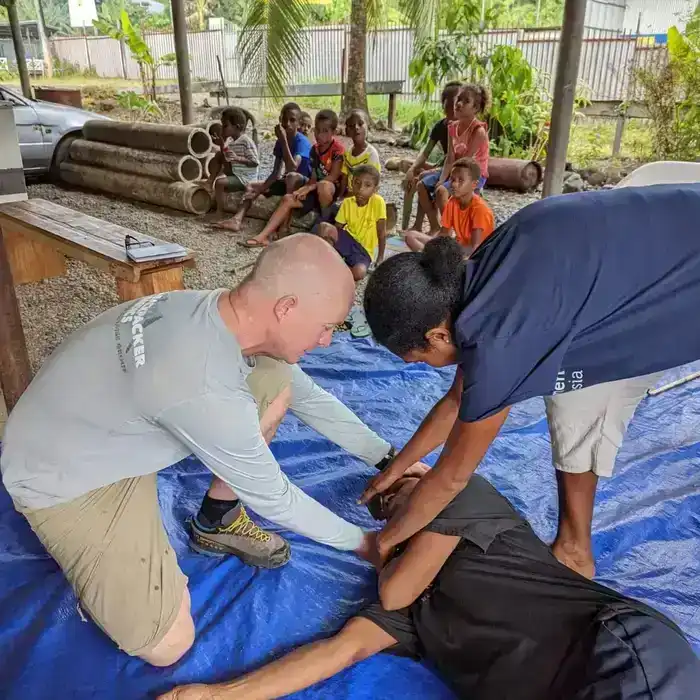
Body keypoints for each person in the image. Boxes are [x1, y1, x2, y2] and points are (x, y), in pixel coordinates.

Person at [0, 234, 427, 667]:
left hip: (98, 427)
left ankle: (218, 519)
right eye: (327, 327)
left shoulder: (216, 312)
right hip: (67, 479)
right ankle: (107, 580)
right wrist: (364, 543)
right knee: (169, 644)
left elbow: (307, 395)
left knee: (274, 383)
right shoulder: (201, 381)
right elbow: (275, 498)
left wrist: (387, 458)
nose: (327, 343)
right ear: (287, 308)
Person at [361, 184, 700, 579]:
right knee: (571, 388)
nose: (425, 366)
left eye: (416, 358)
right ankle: (574, 545)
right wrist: (394, 469)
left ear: (436, 335)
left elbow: (452, 475)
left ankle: (574, 550)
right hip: (667, 230)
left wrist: (381, 543)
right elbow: (458, 400)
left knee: (573, 396)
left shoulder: (500, 338)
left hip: (681, 274)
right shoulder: (474, 274)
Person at [158, 474, 700, 700]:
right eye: (386, 506)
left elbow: (395, 589)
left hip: (617, 654)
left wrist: (382, 542)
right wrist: (220, 694)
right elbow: (338, 652)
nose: (396, 502)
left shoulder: (465, 495)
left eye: (405, 488)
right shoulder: (412, 610)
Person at [243, 109, 345, 249]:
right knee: (288, 199)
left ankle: (324, 220)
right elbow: (313, 177)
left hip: (330, 192)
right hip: (316, 189)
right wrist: (305, 188)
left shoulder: (337, 150)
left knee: (324, 186)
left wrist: (309, 187)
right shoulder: (314, 149)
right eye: (318, 130)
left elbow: (333, 176)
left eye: (325, 131)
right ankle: (263, 236)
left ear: (333, 132)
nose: (320, 135)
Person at [212, 102, 312, 234]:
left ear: (298, 123)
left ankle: (285, 225)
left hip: (303, 184)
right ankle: (237, 220)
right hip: (286, 181)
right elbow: (276, 173)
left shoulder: (301, 142)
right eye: (284, 119)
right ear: (279, 121)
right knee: (251, 186)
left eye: (292, 120)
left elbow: (292, 167)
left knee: (291, 177)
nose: (287, 124)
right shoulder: (279, 141)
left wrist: (284, 142)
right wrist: (260, 189)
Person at [425, 84, 490, 233]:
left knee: (442, 192)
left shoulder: (478, 131)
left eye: (466, 101)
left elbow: (466, 163)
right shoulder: (452, 127)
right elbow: (450, 158)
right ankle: (445, 228)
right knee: (432, 185)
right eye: (458, 99)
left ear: (475, 108)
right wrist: (442, 179)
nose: (459, 104)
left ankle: (449, 230)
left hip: (473, 173)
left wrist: (449, 182)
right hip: (457, 169)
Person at [404, 81, 462, 232]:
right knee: (420, 178)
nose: (450, 112)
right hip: (445, 168)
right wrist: (412, 168)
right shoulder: (441, 126)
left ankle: (445, 229)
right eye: (446, 107)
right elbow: (425, 152)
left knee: (425, 177)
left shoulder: (466, 127)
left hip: (459, 171)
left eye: (454, 107)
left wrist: (436, 174)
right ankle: (431, 225)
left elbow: (457, 160)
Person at [405, 157, 494, 254]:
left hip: (474, 255)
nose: (454, 184)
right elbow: (444, 234)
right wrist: (434, 245)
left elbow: (476, 248)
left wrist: (449, 251)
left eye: (460, 180)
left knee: (446, 254)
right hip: (456, 248)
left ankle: (432, 260)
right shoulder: (452, 202)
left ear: (474, 184)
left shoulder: (480, 209)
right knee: (411, 236)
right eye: (452, 179)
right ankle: (430, 259)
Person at [317, 164, 386, 281]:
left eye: (367, 185)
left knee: (359, 273)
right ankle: (329, 261)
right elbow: (337, 228)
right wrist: (331, 241)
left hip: (363, 251)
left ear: (375, 189)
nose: (361, 189)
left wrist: (380, 258)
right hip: (348, 240)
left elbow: (381, 233)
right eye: (357, 183)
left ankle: (333, 267)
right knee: (324, 227)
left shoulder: (378, 202)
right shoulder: (348, 202)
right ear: (351, 183)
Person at [207, 107, 260, 220]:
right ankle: (209, 181)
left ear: (237, 127)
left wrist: (238, 158)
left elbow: (255, 162)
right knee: (219, 155)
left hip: (245, 177)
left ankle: (220, 212)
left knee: (220, 183)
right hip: (236, 171)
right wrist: (222, 145)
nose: (223, 129)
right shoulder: (232, 141)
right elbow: (227, 156)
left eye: (225, 125)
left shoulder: (246, 141)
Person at [340, 108, 381, 198]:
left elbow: (372, 181)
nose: (356, 128)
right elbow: (344, 177)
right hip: (351, 195)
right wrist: (341, 196)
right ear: (347, 131)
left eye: (360, 124)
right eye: (351, 126)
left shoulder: (371, 154)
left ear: (368, 126)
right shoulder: (347, 153)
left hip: (366, 196)